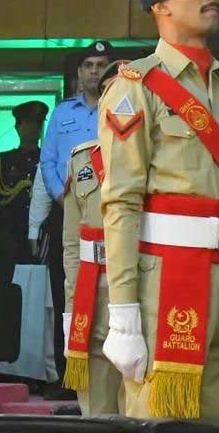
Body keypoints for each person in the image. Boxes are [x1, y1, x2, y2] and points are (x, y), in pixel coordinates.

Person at [98, 0, 219, 428]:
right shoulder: (137, 87)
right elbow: (121, 202)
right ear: (161, 6)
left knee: (217, 420)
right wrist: (123, 309)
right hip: (165, 284)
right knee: (162, 422)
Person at [40, 40, 116, 377]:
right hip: (69, 213)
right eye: (89, 65)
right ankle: (68, 371)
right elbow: (48, 160)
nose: (95, 72)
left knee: (113, 290)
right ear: (79, 72)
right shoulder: (62, 112)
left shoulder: (122, 105)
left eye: (101, 65)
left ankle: (113, 370)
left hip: (113, 213)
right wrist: (63, 198)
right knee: (66, 288)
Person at [62, 117, 121, 415]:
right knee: (96, 413)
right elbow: (72, 244)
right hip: (91, 290)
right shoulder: (81, 159)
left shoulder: (162, 157)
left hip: (143, 286)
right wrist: (70, 309)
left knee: (141, 413)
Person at [0, 100, 47, 265]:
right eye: (30, 122)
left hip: (40, 238)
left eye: (39, 123)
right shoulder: (3, 161)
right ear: (18, 126)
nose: (35, 127)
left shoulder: (49, 160)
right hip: (8, 238)